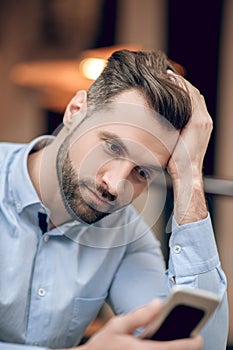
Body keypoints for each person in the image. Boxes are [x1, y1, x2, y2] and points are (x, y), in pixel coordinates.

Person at [0, 50, 228, 350]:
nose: (115, 185)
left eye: (142, 172)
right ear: (75, 109)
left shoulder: (124, 234)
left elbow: (201, 346)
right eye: (111, 146)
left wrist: (190, 178)